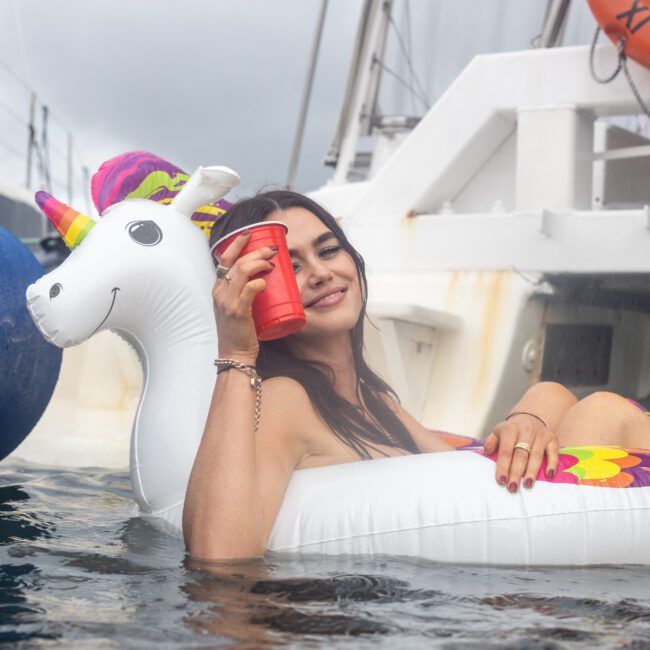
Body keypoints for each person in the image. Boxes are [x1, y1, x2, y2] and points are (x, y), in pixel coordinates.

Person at [183, 191, 650, 561]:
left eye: (329, 250)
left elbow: (468, 463)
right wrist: (237, 351)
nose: (323, 273)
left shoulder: (371, 400)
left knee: (585, 408)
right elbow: (220, 558)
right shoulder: (286, 399)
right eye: (291, 267)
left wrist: (530, 417)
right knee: (603, 412)